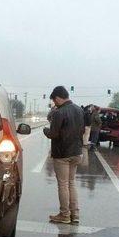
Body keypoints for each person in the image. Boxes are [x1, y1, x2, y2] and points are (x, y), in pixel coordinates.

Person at [43, 86, 84, 225]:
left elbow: (53, 134)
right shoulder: (79, 110)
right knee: (72, 183)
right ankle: (75, 214)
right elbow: (82, 130)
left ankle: (65, 215)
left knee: (63, 184)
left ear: (59, 97)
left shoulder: (59, 112)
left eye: (54, 100)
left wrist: (45, 130)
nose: (55, 103)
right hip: (77, 152)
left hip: (62, 153)